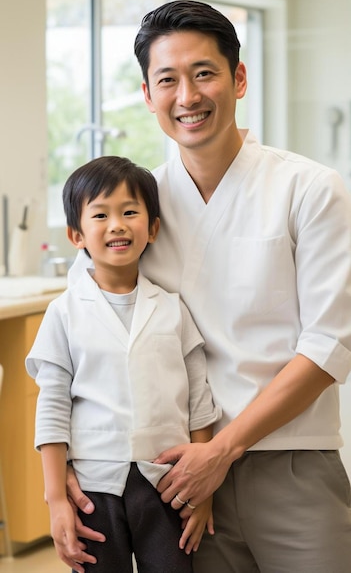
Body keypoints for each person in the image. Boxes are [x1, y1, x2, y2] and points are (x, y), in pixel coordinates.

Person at [66, 0, 351, 572]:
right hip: (176, 481)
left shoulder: (310, 190)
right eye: (167, 80)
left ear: (238, 79)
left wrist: (222, 449)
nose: (187, 97)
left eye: (204, 74)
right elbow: (82, 331)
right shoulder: (135, 208)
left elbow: (329, 345)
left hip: (289, 458)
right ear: (148, 96)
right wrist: (73, 472)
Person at [26, 155, 221, 573]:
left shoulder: (172, 309)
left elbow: (199, 401)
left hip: (166, 485)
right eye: (100, 215)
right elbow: (53, 407)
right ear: (76, 235)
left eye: (130, 212)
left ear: (152, 228)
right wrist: (56, 499)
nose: (116, 224)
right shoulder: (63, 313)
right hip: (94, 490)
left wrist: (203, 491)